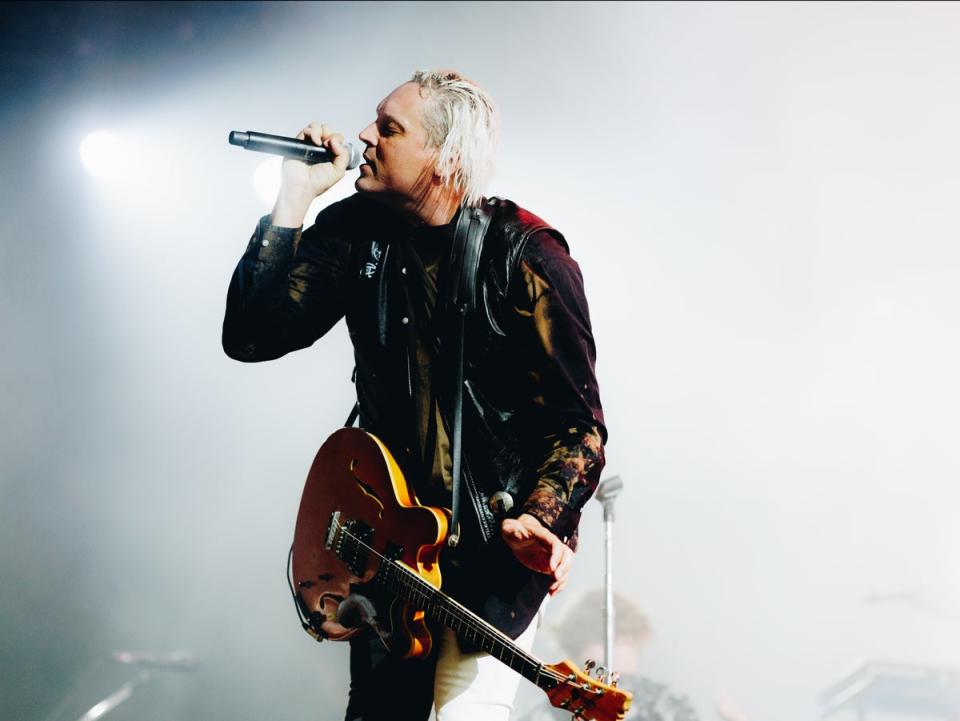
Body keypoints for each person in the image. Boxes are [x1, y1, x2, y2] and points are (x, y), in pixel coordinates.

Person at [222, 70, 606, 721]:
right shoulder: (355, 230)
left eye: (390, 127)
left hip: (485, 576)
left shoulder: (527, 257)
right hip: (386, 564)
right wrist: (294, 199)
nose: (365, 136)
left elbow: (578, 428)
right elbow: (252, 334)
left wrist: (542, 519)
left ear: (445, 157)